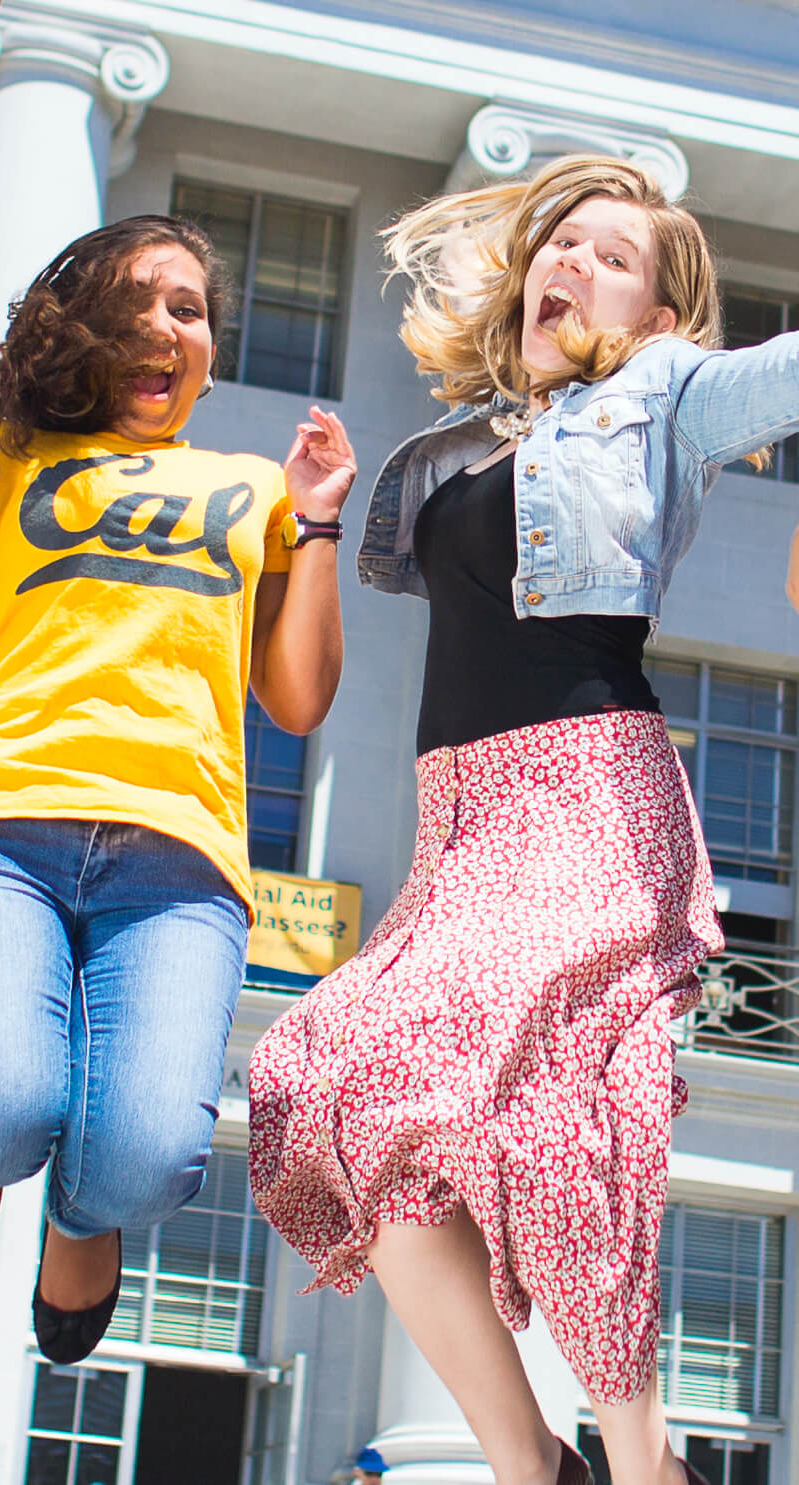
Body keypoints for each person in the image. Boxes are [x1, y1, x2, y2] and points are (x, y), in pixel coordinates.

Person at [248, 154, 798, 1485]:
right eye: (567, 240)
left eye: (618, 258)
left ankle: (643, 1457)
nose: (577, 263)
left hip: (589, 801)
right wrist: (317, 522)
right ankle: (529, 1465)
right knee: (317, 1086)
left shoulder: (662, 396)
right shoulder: (471, 437)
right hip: (465, 834)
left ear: (662, 317)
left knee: (552, 1136)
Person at [0, 214, 355, 1363]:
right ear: (77, 328)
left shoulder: (253, 487)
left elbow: (296, 702)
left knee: (145, 1162)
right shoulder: (7, 459)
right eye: (134, 303)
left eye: (187, 308)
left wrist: (323, 518)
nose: (165, 326)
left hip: (180, 857)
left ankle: (84, 1213)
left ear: (209, 348)